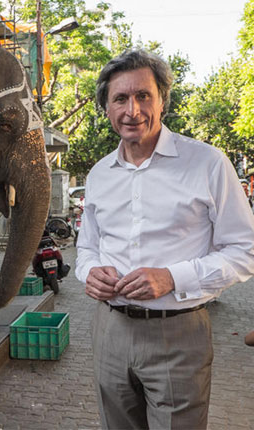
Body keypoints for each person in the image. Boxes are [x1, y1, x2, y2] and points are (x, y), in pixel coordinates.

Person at [75, 49, 254, 429]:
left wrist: (173, 277)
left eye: (144, 96)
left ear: (162, 101)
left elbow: (245, 251)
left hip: (178, 335)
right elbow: (87, 246)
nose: (132, 110)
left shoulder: (207, 163)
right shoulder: (99, 174)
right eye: (120, 99)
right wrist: (89, 272)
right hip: (109, 331)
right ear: (106, 108)